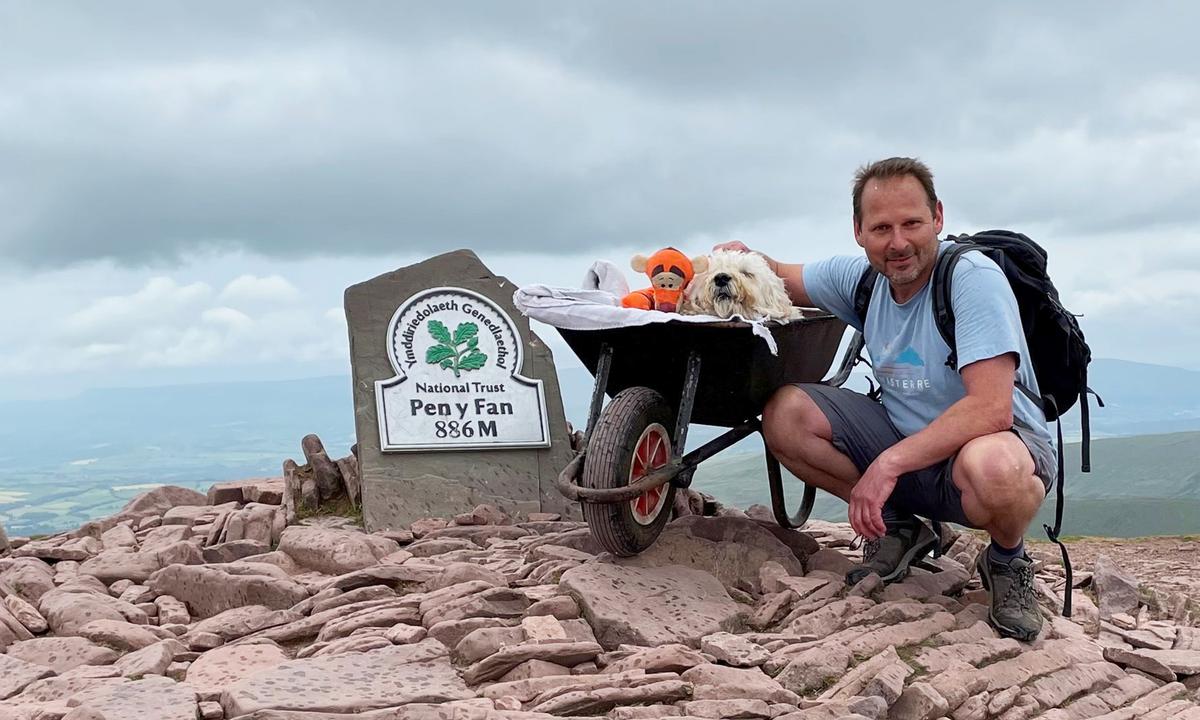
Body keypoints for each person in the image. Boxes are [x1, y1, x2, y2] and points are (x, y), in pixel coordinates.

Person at [716, 157, 1057, 641]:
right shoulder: (860, 279)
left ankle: (1006, 559)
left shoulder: (971, 279)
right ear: (859, 231)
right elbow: (774, 274)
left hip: (991, 448)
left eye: (912, 223)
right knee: (785, 415)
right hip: (908, 445)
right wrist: (737, 258)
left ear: (937, 217)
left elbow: (990, 409)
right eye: (881, 228)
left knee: (996, 470)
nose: (898, 243)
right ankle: (899, 527)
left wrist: (888, 465)